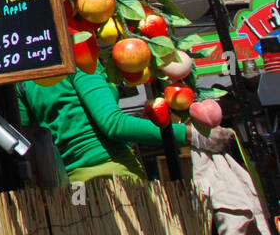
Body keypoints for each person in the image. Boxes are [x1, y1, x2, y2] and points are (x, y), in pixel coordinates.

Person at [18, 68, 234, 184]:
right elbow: (114, 124)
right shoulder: (80, 63)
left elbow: (29, 140)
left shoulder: (22, 81)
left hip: (74, 185)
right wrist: (192, 135)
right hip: (115, 176)